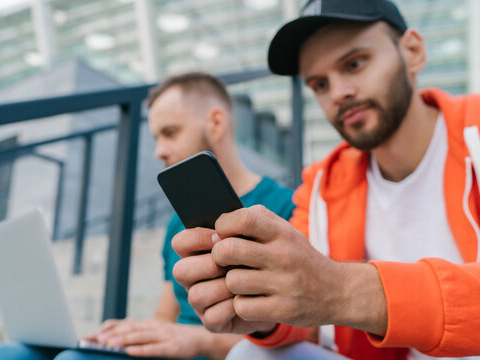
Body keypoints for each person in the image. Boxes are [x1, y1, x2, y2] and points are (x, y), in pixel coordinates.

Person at [171, 1, 480, 360]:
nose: (339, 94)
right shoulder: (323, 184)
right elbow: (305, 316)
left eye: (355, 63)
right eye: (319, 84)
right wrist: (263, 310)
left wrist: (341, 290)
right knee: (249, 354)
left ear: (412, 51)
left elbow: (328, 292)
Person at [0, 72, 295, 360]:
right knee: (8, 354)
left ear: (215, 123)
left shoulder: (285, 209)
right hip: (172, 350)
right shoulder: (177, 221)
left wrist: (195, 339)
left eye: (170, 133)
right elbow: (165, 316)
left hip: (222, 352)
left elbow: (294, 330)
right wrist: (131, 334)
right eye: (156, 138)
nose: (159, 150)